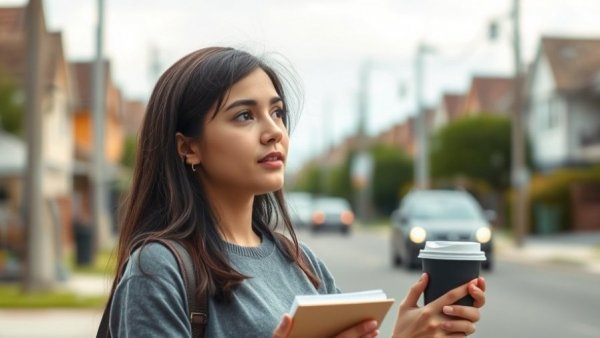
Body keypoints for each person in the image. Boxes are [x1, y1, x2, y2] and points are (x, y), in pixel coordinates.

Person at [106, 46, 486, 337]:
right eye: (244, 115)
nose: (274, 131)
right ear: (188, 147)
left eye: (277, 112)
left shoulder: (302, 262)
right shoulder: (159, 270)